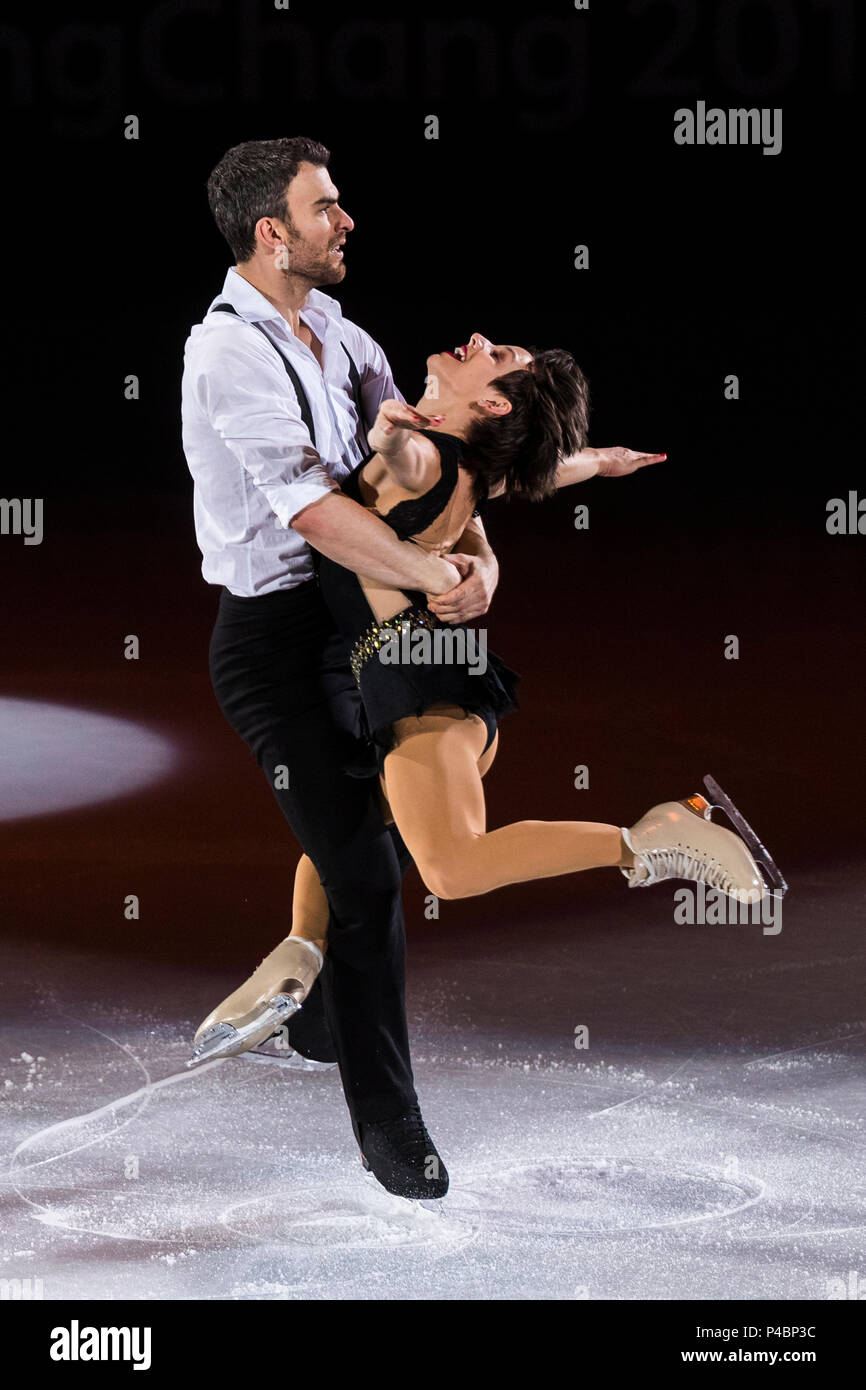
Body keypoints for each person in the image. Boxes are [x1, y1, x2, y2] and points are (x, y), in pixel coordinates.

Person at [193, 333, 785, 1192]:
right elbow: (542, 473)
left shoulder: (429, 455)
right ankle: (301, 951)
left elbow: (408, 452)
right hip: (439, 677)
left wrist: (393, 432)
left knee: (452, 868)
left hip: (414, 675)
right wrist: (599, 462)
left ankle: (652, 836)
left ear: (494, 403)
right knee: (351, 827)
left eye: (494, 353)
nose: (474, 340)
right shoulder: (479, 465)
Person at [181, 137, 502, 1203]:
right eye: (326, 207)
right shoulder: (228, 352)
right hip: (272, 643)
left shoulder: (344, 336)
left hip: (353, 619)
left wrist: (477, 574)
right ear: (273, 232)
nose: (345, 221)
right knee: (363, 868)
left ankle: (321, 1015)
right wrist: (422, 572)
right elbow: (314, 511)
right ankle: (390, 1127)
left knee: (393, 827)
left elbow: (436, 472)